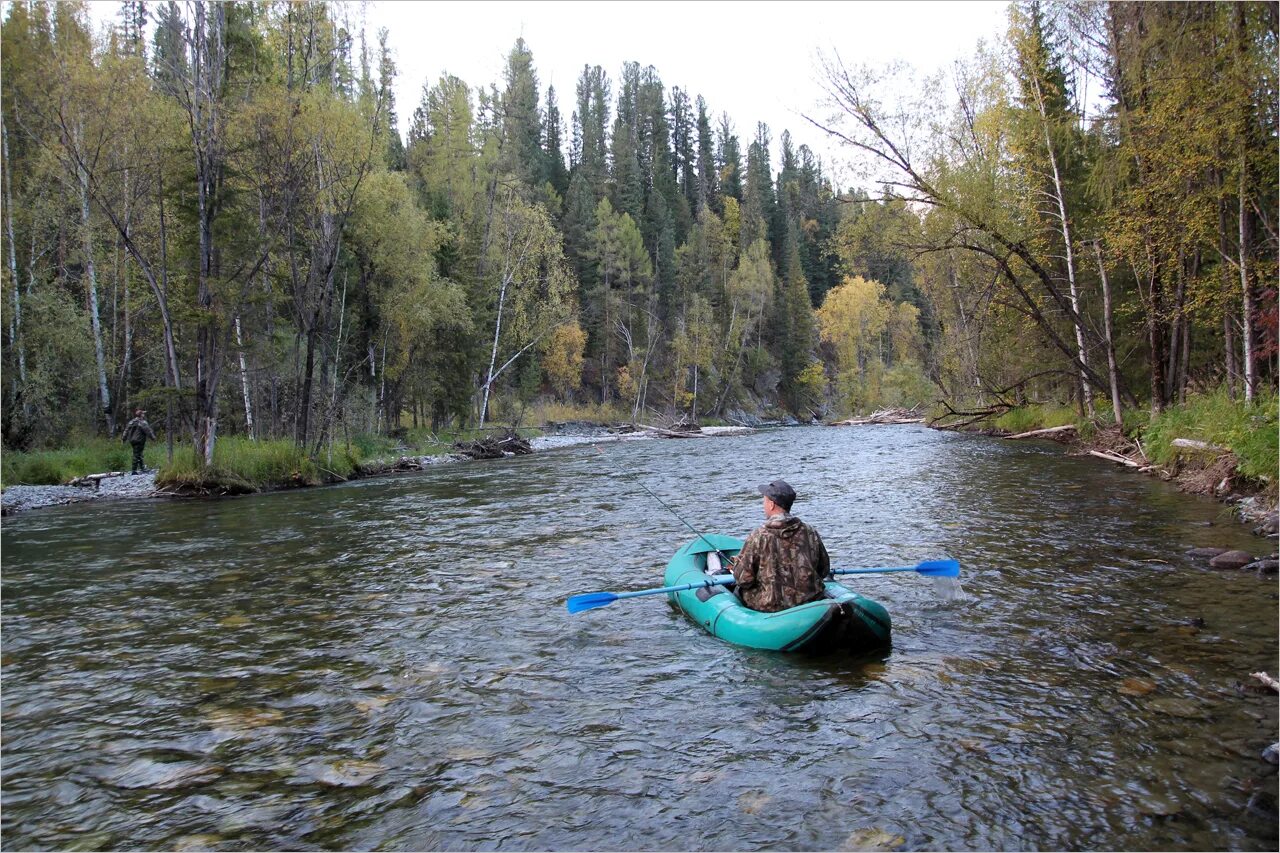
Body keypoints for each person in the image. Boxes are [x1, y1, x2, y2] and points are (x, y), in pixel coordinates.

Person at [729, 479, 831, 612]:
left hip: (771, 606)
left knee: (738, 590)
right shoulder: (809, 531)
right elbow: (823, 570)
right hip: (810, 601)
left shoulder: (759, 535)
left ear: (771, 504)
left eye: (764, 501)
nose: (763, 504)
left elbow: (743, 579)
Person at [121, 408, 156, 475]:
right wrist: (153, 438)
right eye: (143, 414)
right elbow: (148, 431)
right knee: (137, 454)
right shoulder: (143, 423)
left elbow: (126, 430)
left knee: (139, 454)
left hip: (132, 440)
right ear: (141, 415)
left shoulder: (131, 422)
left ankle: (142, 468)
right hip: (139, 440)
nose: (144, 415)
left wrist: (123, 439)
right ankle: (134, 470)